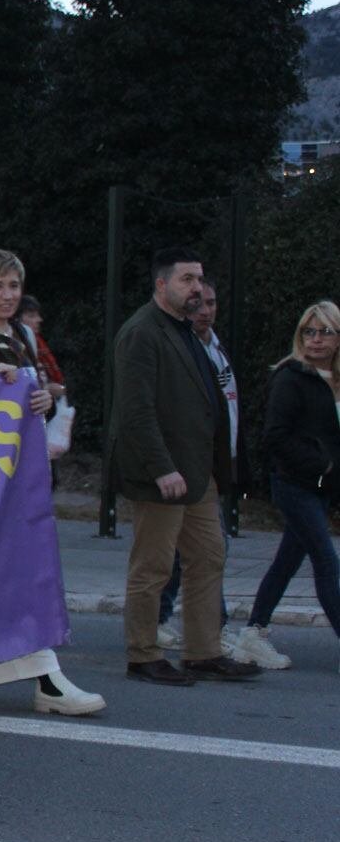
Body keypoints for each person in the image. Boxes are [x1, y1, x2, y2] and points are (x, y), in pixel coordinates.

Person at [0, 250, 104, 716]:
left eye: (13, 286)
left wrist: (43, 400)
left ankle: (33, 678)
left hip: (18, 482)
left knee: (15, 577)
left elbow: (36, 400)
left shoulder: (25, 335)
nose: (6, 295)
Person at [112, 246, 261, 687]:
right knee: (153, 567)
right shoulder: (142, 332)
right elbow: (135, 412)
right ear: (161, 285)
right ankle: (142, 654)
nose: (196, 288)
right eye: (186, 280)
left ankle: (203, 651)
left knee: (208, 558)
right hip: (163, 477)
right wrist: (162, 468)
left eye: (199, 279)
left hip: (198, 475)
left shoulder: (184, 331)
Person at [156, 279, 259, 660]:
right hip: (188, 465)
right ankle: (187, 627)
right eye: (198, 304)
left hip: (214, 463)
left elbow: (227, 408)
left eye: (212, 303)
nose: (206, 310)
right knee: (192, 549)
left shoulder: (215, 347)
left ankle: (188, 627)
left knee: (201, 550)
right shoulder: (183, 346)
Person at [235, 301, 340, 668]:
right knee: (327, 560)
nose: (315, 340)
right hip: (294, 483)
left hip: (321, 487)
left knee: (287, 561)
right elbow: (275, 437)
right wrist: (323, 464)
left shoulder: (335, 379)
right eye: (308, 332)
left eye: (325, 332)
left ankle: (252, 633)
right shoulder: (291, 376)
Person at [17, 295, 66, 388]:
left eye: (38, 315)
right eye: (32, 316)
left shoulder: (39, 342)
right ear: (17, 320)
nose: (39, 320)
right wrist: (46, 388)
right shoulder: (14, 346)